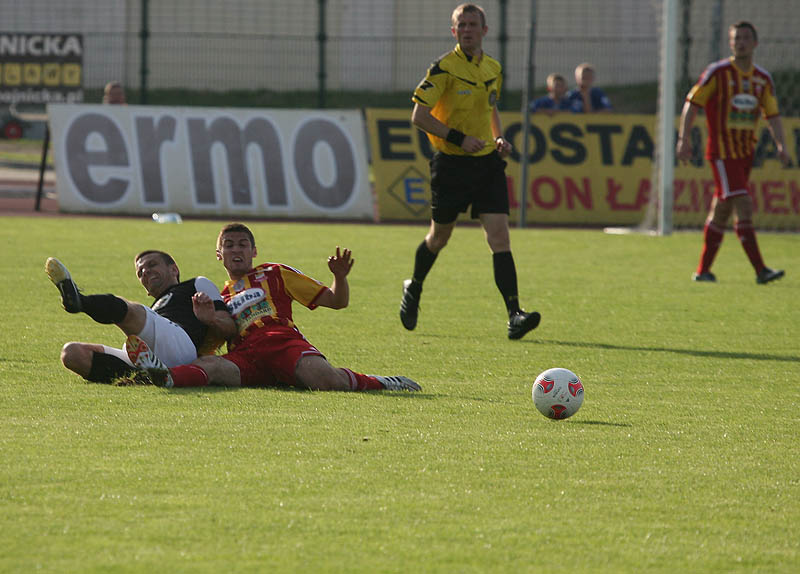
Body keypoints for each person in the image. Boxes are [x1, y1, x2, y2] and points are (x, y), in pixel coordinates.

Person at [125, 223, 421, 392]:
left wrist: (340, 278)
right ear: (219, 254)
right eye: (229, 245)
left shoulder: (275, 273)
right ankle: (166, 376)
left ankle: (383, 383)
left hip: (281, 342)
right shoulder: (218, 296)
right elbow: (204, 349)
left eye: (243, 244)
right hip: (246, 356)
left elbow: (337, 301)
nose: (236, 249)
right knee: (212, 367)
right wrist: (210, 318)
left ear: (253, 251)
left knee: (326, 381)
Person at [400, 3, 541, 340]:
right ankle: (414, 286)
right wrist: (459, 139)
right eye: (461, 25)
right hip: (451, 165)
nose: (466, 30)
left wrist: (498, 137)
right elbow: (419, 116)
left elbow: (491, 108)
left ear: (484, 30)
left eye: (472, 24)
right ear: (453, 31)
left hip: (487, 164)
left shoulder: (493, 67)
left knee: (499, 236)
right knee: (439, 238)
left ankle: (514, 314)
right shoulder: (443, 69)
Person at [676, 21, 790, 284]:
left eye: (746, 38)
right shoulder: (717, 73)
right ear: (730, 43)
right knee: (744, 203)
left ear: (755, 43)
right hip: (722, 153)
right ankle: (761, 270)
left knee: (722, 210)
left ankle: (703, 271)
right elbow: (692, 103)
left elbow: (772, 114)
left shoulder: (762, 79)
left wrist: (781, 144)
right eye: (736, 38)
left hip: (745, 154)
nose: (741, 43)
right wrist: (684, 138)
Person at [45, 252, 236, 384]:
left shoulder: (196, 284)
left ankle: (79, 302)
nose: (146, 272)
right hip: (145, 354)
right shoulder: (155, 309)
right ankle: (147, 376)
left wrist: (211, 319)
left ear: (174, 269)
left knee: (134, 311)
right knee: (71, 353)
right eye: (140, 272)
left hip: (181, 347)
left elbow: (229, 327)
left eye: (152, 265)